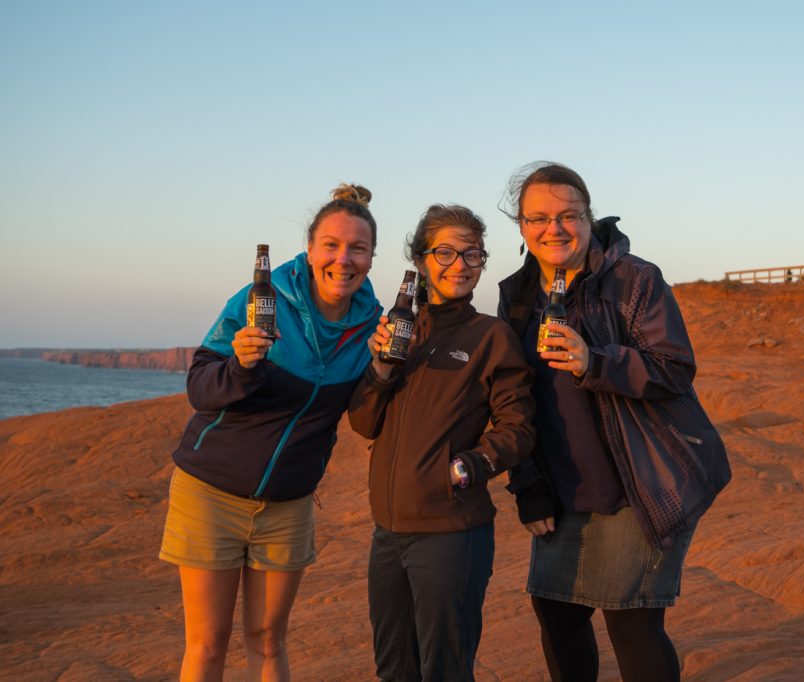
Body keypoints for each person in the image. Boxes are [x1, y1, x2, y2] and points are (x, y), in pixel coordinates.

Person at [497, 163, 731, 681]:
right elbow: (514, 399)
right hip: (561, 484)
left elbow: (675, 367)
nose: (553, 229)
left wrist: (595, 362)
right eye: (539, 218)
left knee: (633, 623)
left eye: (568, 216)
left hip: (637, 482)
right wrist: (528, 486)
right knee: (557, 615)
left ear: (588, 218)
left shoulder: (633, 280)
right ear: (520, 226)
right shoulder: (516, 295)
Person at [159, 184, 382, 680]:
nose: (343, 259)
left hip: (289, 504)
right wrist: (240, 367)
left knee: (267, 641)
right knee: (208, 644)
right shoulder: (261, 299)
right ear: (310, 249)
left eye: (357, 248)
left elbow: (367, 415)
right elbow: (200, 386)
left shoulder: (375, 328)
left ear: (371, 258)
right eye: (331, 245)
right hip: (210, 495)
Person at [347, 204, 535, 681]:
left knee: (444, 671)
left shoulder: (490, 336)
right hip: (387, 534)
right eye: (446, 252)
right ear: (422, 260)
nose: (460, 265)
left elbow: (518, 426)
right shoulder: (399, 331)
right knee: (394, 669)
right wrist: (384, 368)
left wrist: (468, 468)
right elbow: (364, 423)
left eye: (472, 254)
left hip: (451, 533)